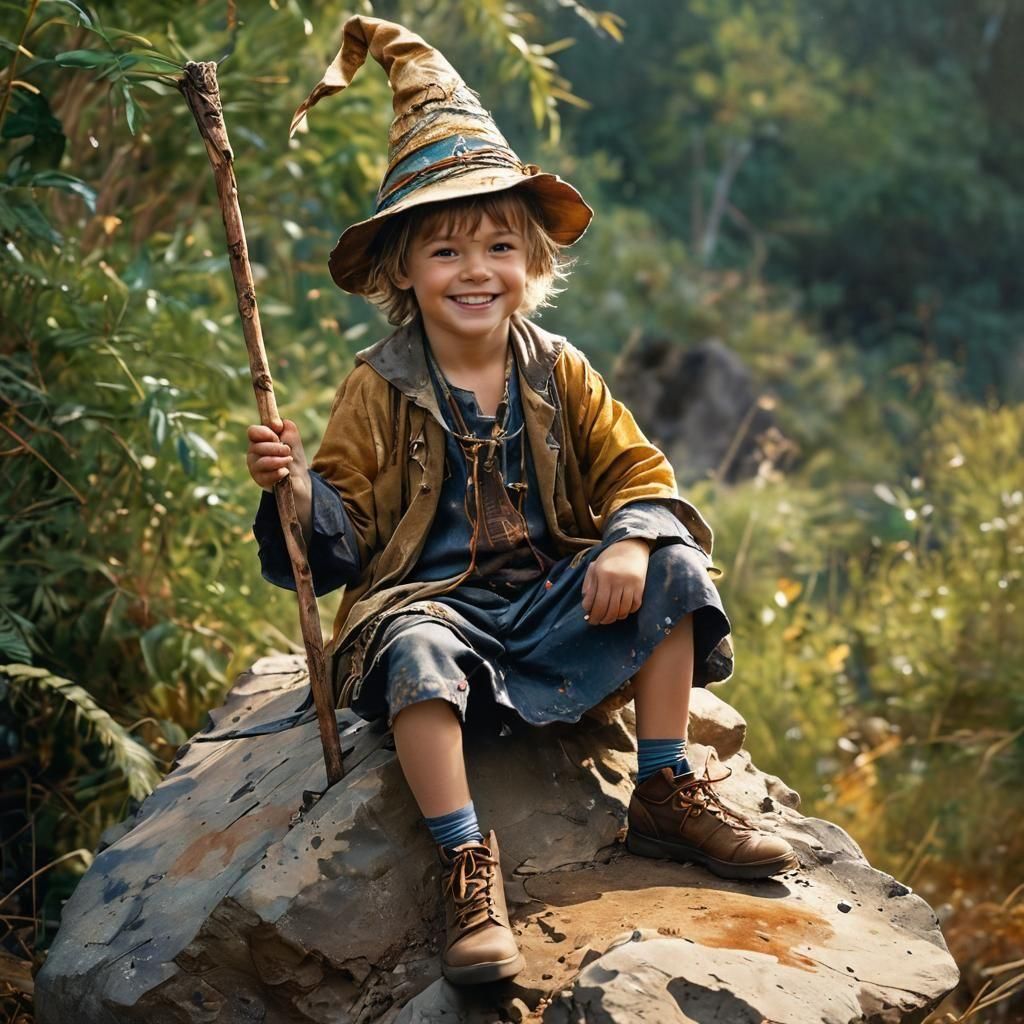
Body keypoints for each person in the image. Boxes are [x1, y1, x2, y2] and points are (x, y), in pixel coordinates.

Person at [247, 16, 795, 987]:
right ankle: (465, 855)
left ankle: (663, 782)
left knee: (670, 562)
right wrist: (293, 490)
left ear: (531, 266)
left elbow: (639, 473)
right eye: (446, 252)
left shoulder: (561, 371)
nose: (474, 271)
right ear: (401, 273)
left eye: (500, 245)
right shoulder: (376, 387)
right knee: (413, 650)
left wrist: (625, 544)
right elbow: (339, 535)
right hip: (441, 609)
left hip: (552, 602)